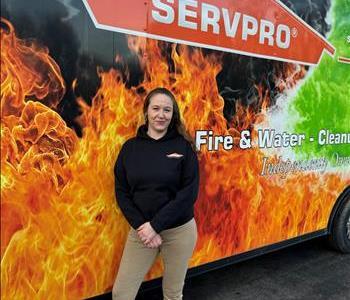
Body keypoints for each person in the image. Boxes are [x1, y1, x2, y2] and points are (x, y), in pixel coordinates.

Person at [112, 87, 200, 300]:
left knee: (172, 293)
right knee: (121, 293)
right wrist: (144, 227)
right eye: (156, 108)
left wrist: (156, 225)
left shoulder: (183, 147)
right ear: (147, 112)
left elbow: (189, 193)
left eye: (167, 110)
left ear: (173, 115)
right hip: (141, 231)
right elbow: (122, 191)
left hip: (179, 232)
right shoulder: (130, 149)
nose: (161, 115)